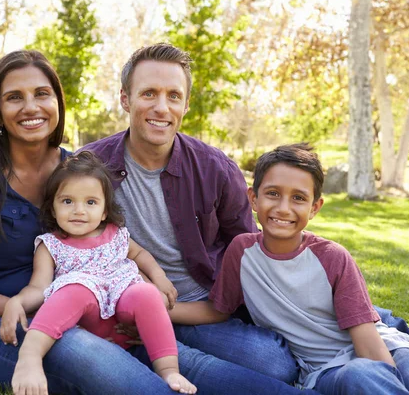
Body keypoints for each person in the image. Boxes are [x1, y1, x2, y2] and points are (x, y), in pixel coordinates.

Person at [0, 49, 317, 395]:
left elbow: (125, 249)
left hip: (97, 307)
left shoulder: (75, 170)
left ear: (58, 103)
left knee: (185, 362)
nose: (31, 106)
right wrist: (35, 307)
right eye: (15, 97)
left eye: (42, 94)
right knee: (104, 361)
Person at [79, 42, 301, 384]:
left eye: (173, 95)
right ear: (125, 99)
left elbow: (245, 251)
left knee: (275, 365)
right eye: (149, 93)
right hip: (123, 309)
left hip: (199, 309)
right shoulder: (90, 166)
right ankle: (158, 351)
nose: (162, 107)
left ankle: (159, 348)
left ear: (186, 103)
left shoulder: (215, 168)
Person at [202, 143, 409, 395]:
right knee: (360, 375)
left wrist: (389, 382)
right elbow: (218, 310)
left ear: (315, 207)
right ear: (253, 198)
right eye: (273, 193)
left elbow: (368, 343)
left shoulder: (332, 257)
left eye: (299, 198)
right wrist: (161, 306)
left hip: (383, 348)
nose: (284, 208)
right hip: (326, 370)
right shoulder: (242, 251)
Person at [2, 151, 196, 394]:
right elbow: (39, 287)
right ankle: (30, 356)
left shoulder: (115, 234)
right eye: (67, 201)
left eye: (90, 202)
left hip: (125, 312)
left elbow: (140, 255)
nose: (79, 211)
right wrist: (18, 301)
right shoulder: (50, 245)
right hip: (90, 322)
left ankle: (169, 371)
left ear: (105, 211)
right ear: (52, 208)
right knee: (76, 289)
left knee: (146, 293)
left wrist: (159, 278)